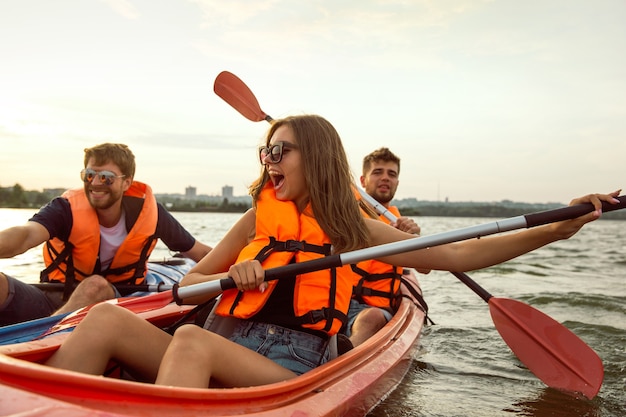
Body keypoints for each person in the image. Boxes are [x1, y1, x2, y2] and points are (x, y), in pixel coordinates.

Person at [44, 115, 620, 389]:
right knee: (100, 320)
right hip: (226, 337)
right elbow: (190, 283)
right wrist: (231, 275)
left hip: (290, 363)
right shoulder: (256, 216)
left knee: (191, 342)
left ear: (315, 157)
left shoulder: (351, 227)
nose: (270, 160)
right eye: (267, 151)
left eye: (283, 150)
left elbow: (460, 254)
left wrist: (556, 228)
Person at [0, 143, 212, 326]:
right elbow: (25, 236)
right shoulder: (64, 209)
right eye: (89, 175)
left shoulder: (151, 214)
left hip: (115, 304)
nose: (95, 183)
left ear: (126, 182)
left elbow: (200, 253)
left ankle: (40, 341)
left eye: (106, 177)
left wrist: (241, 265)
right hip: (55, 297)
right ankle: (40, 334)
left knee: (95, 285)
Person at [346, 147, 424, 347]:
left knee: (371, 318)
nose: (385, 178)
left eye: (392, 174)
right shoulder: (344, 215)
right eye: (377, 172)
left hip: (373, 310)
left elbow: (426, 267)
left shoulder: (400, 225)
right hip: (336, 301)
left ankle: (341, 358)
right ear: (362, 181)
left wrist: (413, 237)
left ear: (397, 182)